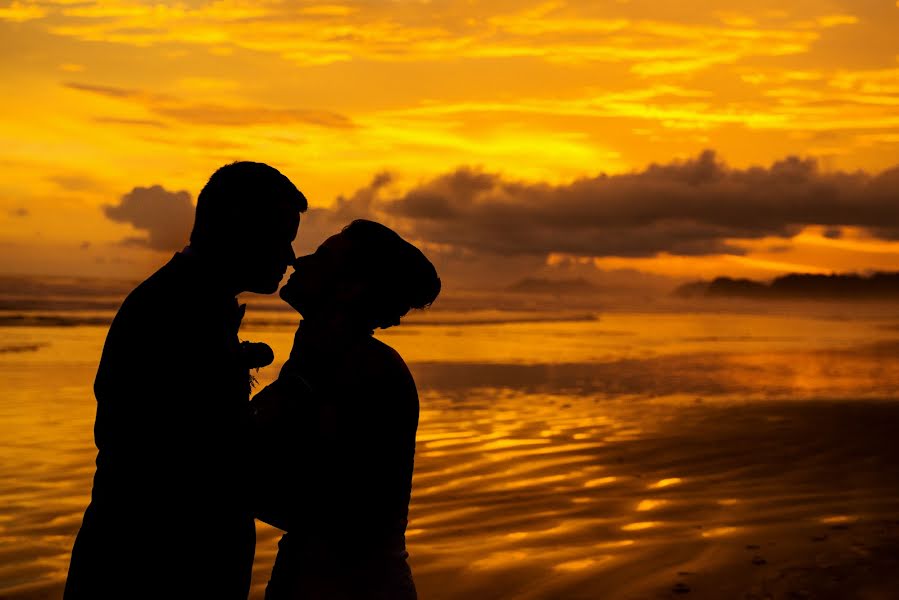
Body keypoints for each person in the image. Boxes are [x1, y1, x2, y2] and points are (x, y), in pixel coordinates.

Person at [64, 162, 307, 599]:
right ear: (239, 225)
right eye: (282, 235)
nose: (290, 255)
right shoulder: (175, 311)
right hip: (152, 568)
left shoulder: (189, 301)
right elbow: (188, 460)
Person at [251, 219, 441, 600]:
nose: (299, 262)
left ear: (351, 288)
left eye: (321, 256)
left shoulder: (365, 370)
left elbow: (332, 507)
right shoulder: (325, 355)